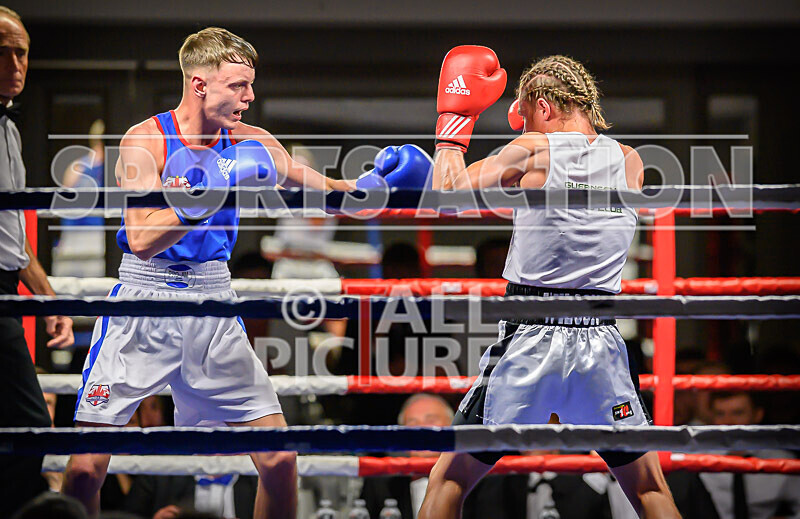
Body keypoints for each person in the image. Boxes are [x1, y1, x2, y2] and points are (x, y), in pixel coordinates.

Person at [61, 26, 354, 519]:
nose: (250, 96)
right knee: (86, 469)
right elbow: (142, 239)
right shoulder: (144, 141)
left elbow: (325, 190)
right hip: (144, 300)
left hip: (212, 303)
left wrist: (387, 183)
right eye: (239, 85)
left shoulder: (251, 140)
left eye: (251, 85)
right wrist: (206, 194)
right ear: (200, 84)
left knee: (280, 459)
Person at [419, 49, 680, 518]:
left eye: (524, 114)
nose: (521, 127)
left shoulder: (533, 149)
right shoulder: (630, 160)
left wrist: (453, 127)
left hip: (530, 338)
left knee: (448, 481)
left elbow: (448, 192)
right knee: (649, 488)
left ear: (543, 104)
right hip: (600, 340)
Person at [0, 6, 75, 517]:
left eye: (21, 52)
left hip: (6, 290)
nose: (14, 63)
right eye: (1, 52)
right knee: (28, 424)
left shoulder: (9, 130)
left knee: (22, 429)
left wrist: (49, 298)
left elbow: (11, 239)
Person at [361, 393, 527, 519]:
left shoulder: (486, 480)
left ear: (451, 427)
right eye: (412, 423)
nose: (421, 429)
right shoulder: (381, 482)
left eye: (430, 420)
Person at [699, 391, 800, 519]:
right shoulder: (699, 459)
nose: (728, 421)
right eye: (720, 414)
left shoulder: (781, 460)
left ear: (757, 415)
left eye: (738, 413)